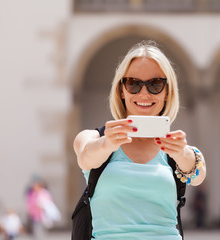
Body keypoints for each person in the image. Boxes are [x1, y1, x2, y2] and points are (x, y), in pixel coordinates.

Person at [73, 41, 207, 239]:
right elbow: (85, 158)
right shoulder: (93, 138)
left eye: (155, 84)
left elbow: (197, 175)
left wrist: (181, 152)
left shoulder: (175, 147)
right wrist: (107, 143)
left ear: (167, 93)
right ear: (121, 90)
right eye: (133, 84)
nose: (144, 93)